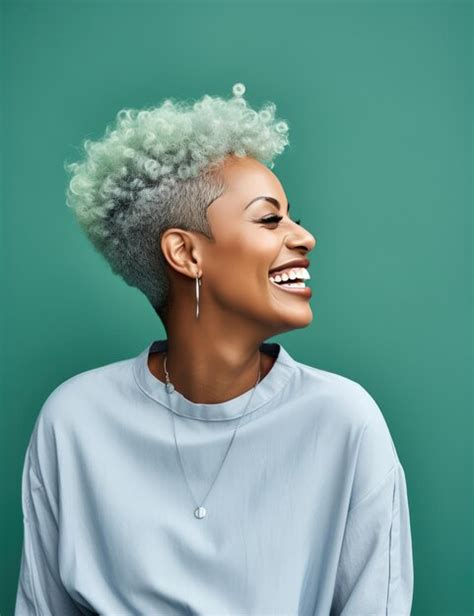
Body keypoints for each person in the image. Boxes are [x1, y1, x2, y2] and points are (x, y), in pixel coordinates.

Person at [15, 83, 414, 615]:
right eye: (270, 219)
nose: (304, 237)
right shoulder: (74, 421)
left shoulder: (344, 421)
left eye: (291, 216)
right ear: (186, 253)